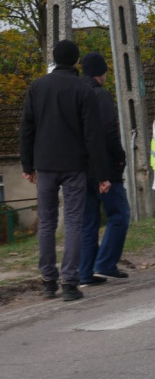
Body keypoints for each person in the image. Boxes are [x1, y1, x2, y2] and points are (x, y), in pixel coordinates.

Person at [20, 39, 108, 302]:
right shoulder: (83, 90)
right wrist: (102, 174)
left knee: (46, 223)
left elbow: (27, 127)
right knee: (73, 222)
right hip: (74, 165)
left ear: (55, 59)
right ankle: (70, 282)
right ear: (76, 60)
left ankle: (48, 281)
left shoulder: (36, 87)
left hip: (45, 164)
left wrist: (27, 164)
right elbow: (93, 135)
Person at [78, 52, 132, 285]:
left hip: (79, 168)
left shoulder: (74, 93)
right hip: (105, 167)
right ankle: (106, 263)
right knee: (119, 214)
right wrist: (119, 157)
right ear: (102, 72)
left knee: (88, 222)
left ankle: (85, 272)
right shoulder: (100, 95)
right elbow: (108, 131)